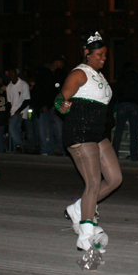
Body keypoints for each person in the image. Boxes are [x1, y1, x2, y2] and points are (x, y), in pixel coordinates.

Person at [58, 30, 121, 253]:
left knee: (114, 179)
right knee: (93, 184)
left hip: (98, 134)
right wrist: (62, 106)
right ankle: (85, 236)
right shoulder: (79, 73)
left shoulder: (99, 75)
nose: (104, 58)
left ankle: (78, 208)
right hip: (80, 132)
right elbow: (60, 98)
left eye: (105, 54)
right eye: (99, 54)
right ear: (87, 53)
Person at [111, 62, 138, 161]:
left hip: (123, 103)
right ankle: (134, 155)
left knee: (119, 130)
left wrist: (112, 107)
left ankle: (114, 153)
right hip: (134, 104)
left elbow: (115, 93)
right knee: (134, 131)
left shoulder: (122, 79)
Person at [33, 55, 66, 156]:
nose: (63, 65)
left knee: (59, 129)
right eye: (62, 62)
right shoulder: (43, 72)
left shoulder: (60, 73)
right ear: (57, 62)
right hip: (45, 106)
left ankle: (61, 149)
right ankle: (47, 150)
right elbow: (40, 90)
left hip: (55, 106)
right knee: (46, 129)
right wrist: (42, 105)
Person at [5, 68, 31, 152]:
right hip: (13, 111)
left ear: (16, 74)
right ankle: (18, 149)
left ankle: (18, 145)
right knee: (16, 129)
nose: (11, 75)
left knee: (12, 127)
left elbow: (27, 100)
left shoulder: (23, 84)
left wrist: (19, 110)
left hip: (21, 111)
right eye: (10, 74)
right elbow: (9, 102)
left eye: (13, 73)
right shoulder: (8, 87)